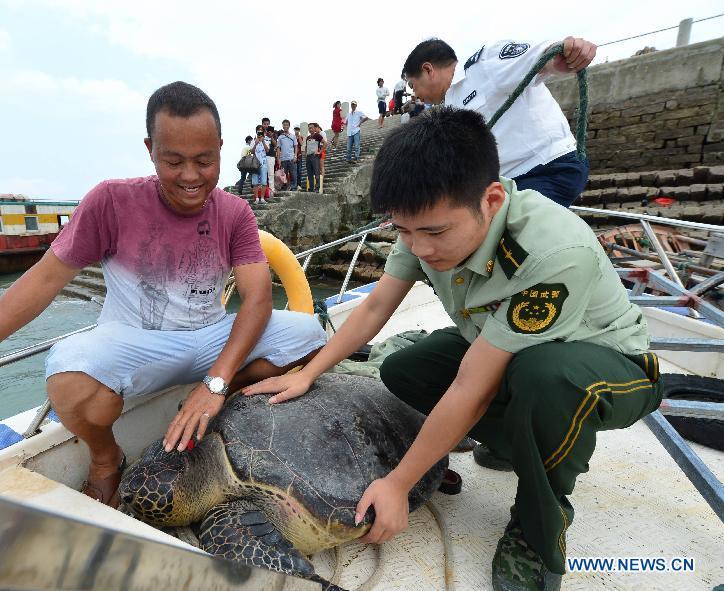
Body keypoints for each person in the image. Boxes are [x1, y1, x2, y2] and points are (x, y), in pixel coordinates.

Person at [244, 107, 661, 591]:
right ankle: (515, 443)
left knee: (546, 381)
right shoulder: (425, 220)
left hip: (610, 366)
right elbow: (377, 307)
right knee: (406, 370)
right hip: (510, 349)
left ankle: (538, 527)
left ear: (491, 200)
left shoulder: (551, 252)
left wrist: (399, 484)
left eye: (435, 233)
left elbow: (473, 386)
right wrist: (308, 372)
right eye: (403, 231)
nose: (419, 248)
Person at [0, 81, 327, 507]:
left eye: (205, 161)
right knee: (67, 376)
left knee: (308, 335)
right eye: (173, 161)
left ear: (221, 151)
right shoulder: (110, 202)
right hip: (135, 341)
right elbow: (41, 283)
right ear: (149, 149)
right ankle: (105, 456)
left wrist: (215, 383)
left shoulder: (235, 212)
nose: (191, 176)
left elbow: (256, 299)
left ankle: (221, 405)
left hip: (211, 336)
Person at [402, 37, 596, 207]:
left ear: (428, 70)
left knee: (499, 240)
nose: (416, 95)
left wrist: (565, 54)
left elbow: (536, 57)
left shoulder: (482, 66)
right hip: (508, 184)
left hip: (548, 168)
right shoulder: (450, 105)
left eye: (413, 85)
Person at [304, 123, 326, 192]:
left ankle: (317, 188)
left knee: (316, 173)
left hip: (315, 156)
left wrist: (320, 152)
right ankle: (311, 188)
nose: (310, 129)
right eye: (309, 128)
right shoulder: (308, 137)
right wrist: (305, 153)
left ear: (314, 128)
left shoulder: (317, 135)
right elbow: (306, 146)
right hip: (308, 156)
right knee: (309, 173)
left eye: (311, 128)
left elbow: (325, 143)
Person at [278, 119, 299, 190]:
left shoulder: (293, 136)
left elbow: (296, 146)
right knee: (285, 175)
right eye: (284, 125)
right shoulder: (280, 137)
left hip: (291, 158)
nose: (285, 126)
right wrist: (279, 158)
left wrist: (295, 155)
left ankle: (294, 186)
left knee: (293, 173)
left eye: (287, 125)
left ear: (289, 126)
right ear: (282, 126)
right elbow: (278, 148)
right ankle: (287, 186)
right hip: (283, 159)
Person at [250, 129, 269, 204]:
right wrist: (255, 143)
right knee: (255, 182)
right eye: (258, 133)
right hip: (255, 164)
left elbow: (267, 150)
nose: (260, 135)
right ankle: (257, 198)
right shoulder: (253, 141)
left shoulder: (266, 141)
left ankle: (262, 198)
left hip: (264, 163)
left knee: (264, 182)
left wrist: (263, 141)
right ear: (256, 133)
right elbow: (251, 152)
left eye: (261, 133)